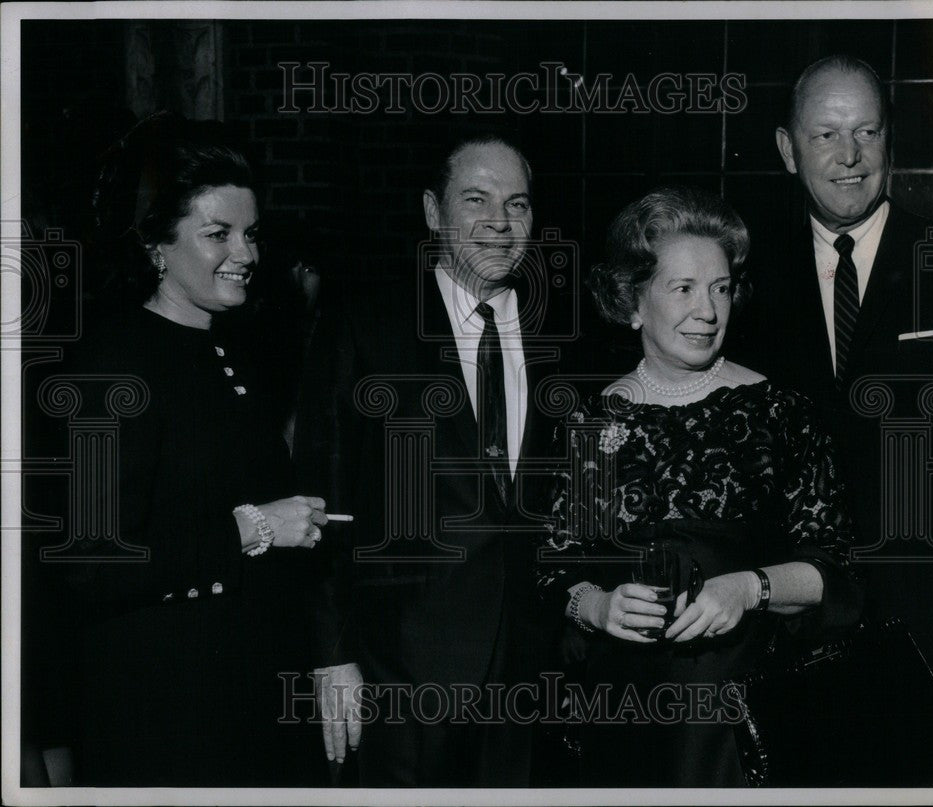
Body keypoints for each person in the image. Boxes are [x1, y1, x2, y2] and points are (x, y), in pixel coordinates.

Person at [537, 186, 862, 787]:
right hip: (620, 720)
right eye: (682, 288)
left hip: (742, 726)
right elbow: (557, 568)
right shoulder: (594, 423)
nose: (708, 311)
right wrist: (598, 605)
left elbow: (836, 570)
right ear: (632, 302)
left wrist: (750, 588)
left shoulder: (779, 412)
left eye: (719, 287)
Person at [63, 114, 328, 786]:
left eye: (251, 233)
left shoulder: (232, 350)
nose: (246, 252)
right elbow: (92, 564)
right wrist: (255, 527)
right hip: (165, 719)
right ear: (157, 242)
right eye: (219, 234)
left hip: (245, 705)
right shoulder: (113, 364)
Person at [295, 133, 566, 786]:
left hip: (531, 664)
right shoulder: (366, 328)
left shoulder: (568, 333)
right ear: (431, 211)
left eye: (518, 204)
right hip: (402, 669)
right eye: (476, 200)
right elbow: (321, 494)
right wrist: (331, 657)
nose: (500, 223)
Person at [744, 55, 933, 749]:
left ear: (888, 141)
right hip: (786, 645)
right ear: (789, 150)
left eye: (866, 132)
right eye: (825, 135)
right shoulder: (740, 278)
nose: (849, 156)